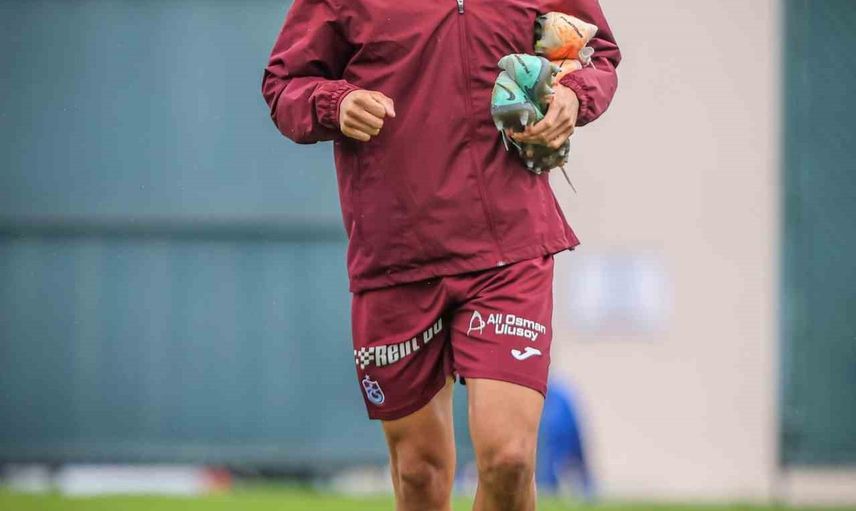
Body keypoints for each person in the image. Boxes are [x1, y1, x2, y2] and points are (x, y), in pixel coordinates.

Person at [262, 1, 620, 509]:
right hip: (396, 255)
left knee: (510, 459)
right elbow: (284, 86)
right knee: (419, 475)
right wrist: (335, 103)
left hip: (509, 248)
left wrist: (572, 96)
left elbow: (597, 52)